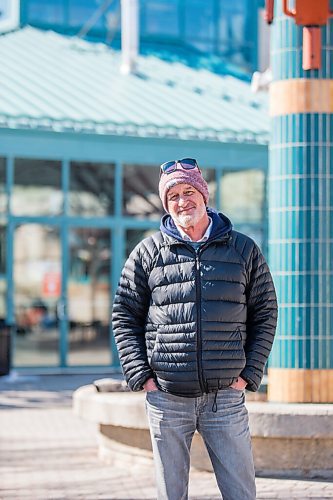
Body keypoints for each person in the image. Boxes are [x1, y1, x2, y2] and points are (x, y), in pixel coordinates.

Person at [112, 158, 278, 500]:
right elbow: (124, 315)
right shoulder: (148, 253)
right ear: (165, 203)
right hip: (167, 397)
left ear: (204, 195)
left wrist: (249, 373)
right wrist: (141, 375)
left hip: (225, 398)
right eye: (172, 195)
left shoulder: (243, 249)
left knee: (241, 493)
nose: (182, 201)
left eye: (189, 191)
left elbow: (265, 312)